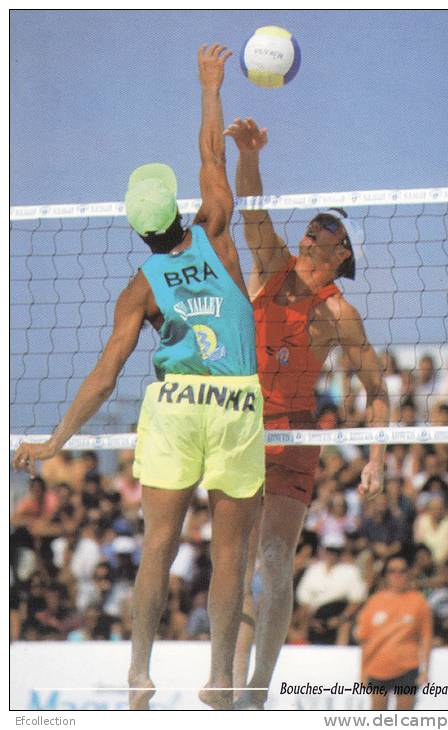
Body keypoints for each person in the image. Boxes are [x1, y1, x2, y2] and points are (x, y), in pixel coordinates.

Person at [13, 45, 264, 711]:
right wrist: (210, 84)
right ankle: (219, 677)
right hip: (234, 401)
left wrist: (55, 439)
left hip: (175, 404)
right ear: (177, 213)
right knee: (231, 555)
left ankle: (139, 673)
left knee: (158, 545)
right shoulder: (215, 232)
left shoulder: (138, 290)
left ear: (139, 231)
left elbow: (103, 377)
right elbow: (212, 153)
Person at [223, 117, 389, 709]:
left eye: (326, 228)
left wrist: (374, 461)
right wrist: (248, 152)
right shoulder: (272, 267)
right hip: (243, 425)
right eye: (314, 223)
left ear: (340, 250)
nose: (311, 229)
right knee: (234, 558)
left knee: (273, 557)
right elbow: (251, 208)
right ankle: (226, 685)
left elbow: (377, 391)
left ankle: (255, 694)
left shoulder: (341, 314)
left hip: (294, 432)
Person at [356, 556, 433, 711]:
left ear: (409, 574)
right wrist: (363, 670)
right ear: (386, 575)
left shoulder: (419, 601)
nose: (397, 575)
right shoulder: (374, 602)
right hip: (377, 666)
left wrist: (425, 669)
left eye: (402, 571)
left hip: (408, 667)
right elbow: (365, 639)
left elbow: (425, 638)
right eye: (392, 571)